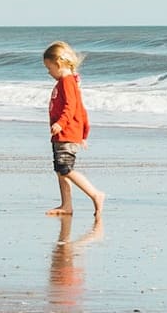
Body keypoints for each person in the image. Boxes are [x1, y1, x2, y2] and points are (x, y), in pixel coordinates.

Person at [43, 41, 105, 216]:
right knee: (60, 170)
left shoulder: (67, 81)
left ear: (58, 64)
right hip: (63, 134)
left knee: (65, 169)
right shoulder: (68, 81)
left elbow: (71, 107)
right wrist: (84, 133)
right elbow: (81, 109)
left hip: (66, 133)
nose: (49, 72)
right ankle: (66, 205)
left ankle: (95, 194)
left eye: (49, 68)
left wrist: (61, 124)